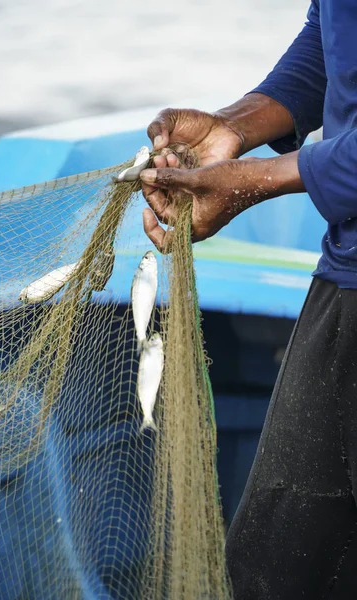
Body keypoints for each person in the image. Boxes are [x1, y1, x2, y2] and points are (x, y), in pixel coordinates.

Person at [140, 1, 357, 597]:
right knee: (271, 567)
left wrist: (255, 181)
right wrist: (234, 127)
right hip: (345, 276)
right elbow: (334, 30)